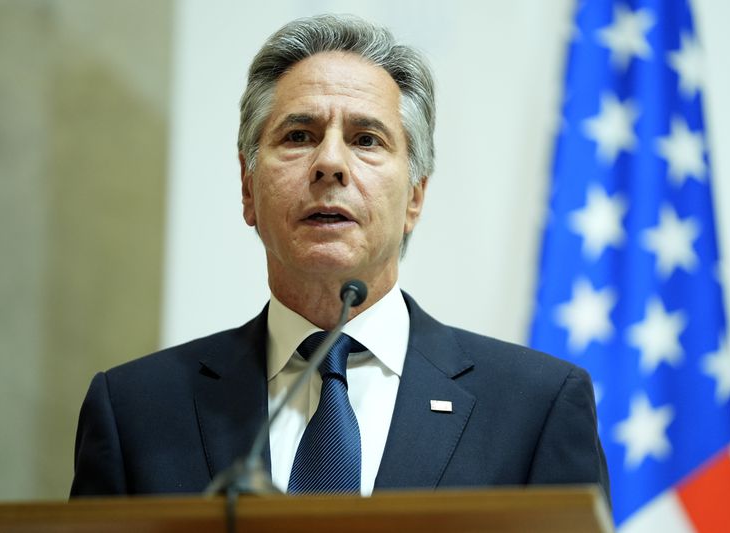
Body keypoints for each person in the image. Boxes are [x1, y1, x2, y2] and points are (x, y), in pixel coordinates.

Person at [70, 13, 609, 501]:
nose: (330, 163)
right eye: (299, 135)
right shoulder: (136, 411)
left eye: (366, 139)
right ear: (247, 188)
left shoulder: (534, 408)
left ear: (415, 196)